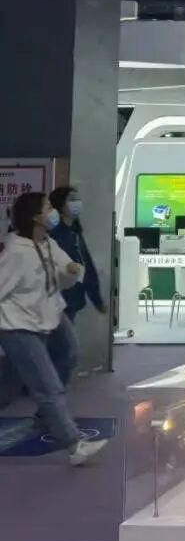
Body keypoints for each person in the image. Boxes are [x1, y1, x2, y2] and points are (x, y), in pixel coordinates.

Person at [0, 192, 108, 466]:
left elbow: (63, 272)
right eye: (48, 207)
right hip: (19, 326)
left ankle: (47, 414)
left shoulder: (48, 243)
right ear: (36, 216)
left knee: (65, 355)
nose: (53, 212)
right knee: (47, 387)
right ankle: (74, 445)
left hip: (51, 314)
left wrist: (71, 270)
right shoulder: (15, 253)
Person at [48, 185, 106, 322]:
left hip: (73, 300)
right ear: (60, 204)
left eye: (78, 199)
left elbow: (87, 266)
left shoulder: (75, 232)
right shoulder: (53, 234)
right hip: (58, 301)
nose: (77, 203)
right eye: (72, 199)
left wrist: (97, 300)